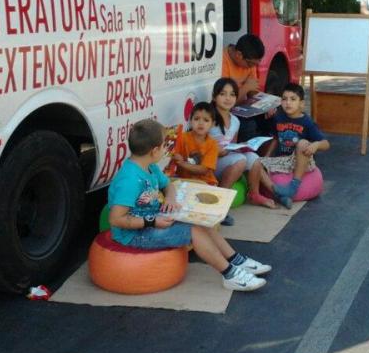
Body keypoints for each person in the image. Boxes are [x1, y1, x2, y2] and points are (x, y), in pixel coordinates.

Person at [108, 119, 270, 291]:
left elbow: (167, 185)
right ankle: (230, 274)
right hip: (135, 234)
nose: (166, 149)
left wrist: (170, 198)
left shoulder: (150, 167)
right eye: (164, 145)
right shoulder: (130, 180)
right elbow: (116, 219)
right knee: (194, 231)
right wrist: (152, 221)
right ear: (154, 150)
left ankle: (236, 259)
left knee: (201, 220)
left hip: (155, 218)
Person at [210, 77, 284, 210]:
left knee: (253, 158)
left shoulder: (235, 121)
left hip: (224, 159)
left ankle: (254, 195)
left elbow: (232, 145)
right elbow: (199, 144)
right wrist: (216, 150)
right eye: (223, 94)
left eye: (232, 94)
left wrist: (243, 146)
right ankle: (219, 201)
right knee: (240, 160)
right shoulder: (209, 118)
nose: (228, 98)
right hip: (210, 161)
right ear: (214, 97)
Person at [261, 83, 330, 206]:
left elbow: (326, 144)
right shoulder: (278, 118)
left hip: (300, 160)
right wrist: (266, 157)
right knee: (255, 164)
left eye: (293, 99)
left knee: (302, 143)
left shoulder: (307, 122)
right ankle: (280, 196)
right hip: (282, 160)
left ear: (302, 104)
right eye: (284, 99)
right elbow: (276, 138)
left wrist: (316, 145)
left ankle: (293, 186)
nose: (288, 103)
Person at [171, 102, 219, 186]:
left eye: (206, 120)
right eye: (196, 119)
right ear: (190, 121)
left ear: (212, 124)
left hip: (206, 182)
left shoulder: (213, 144)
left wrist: (182, 163)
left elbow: (203, 170)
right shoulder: (182, 137)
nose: (201, 123)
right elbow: (172, 156)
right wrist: (174, 156)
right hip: (183, 180)